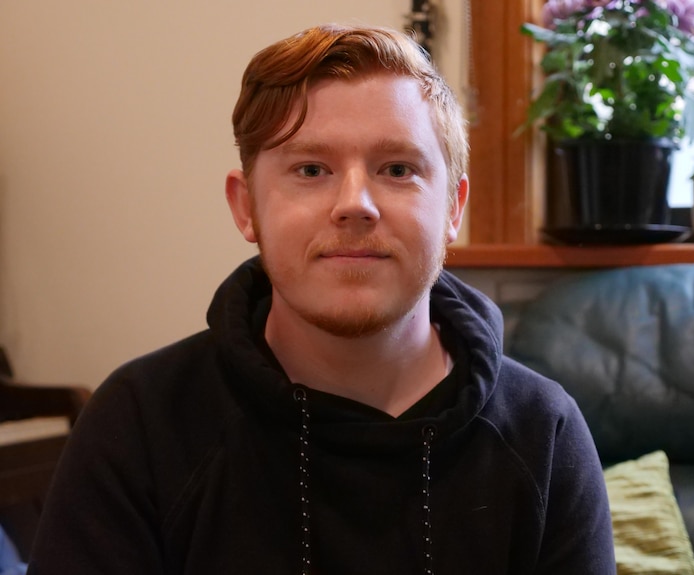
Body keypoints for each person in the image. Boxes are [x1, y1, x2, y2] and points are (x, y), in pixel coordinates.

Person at [27, 24, 615, 574]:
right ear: (246, 206)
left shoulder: (546, 436)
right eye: (310, 168)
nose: (355, 203)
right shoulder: (138, 424)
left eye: (397, 168)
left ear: (453, 207)